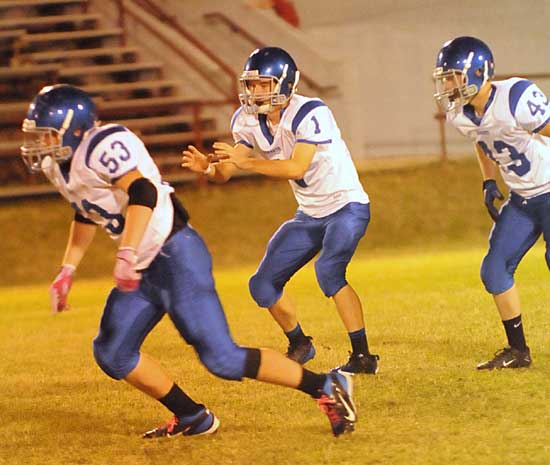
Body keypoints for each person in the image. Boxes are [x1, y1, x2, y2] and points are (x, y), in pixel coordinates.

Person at [21, 83, 358, 438]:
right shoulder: (57, 165)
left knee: (222, 359)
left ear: (75, 129)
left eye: (46, 135)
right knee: (112, 352)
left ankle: (326, 386)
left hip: (175, 253)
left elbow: (142, 191)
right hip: (144, 263)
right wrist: (67, 269)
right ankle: (193, 416)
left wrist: (127, 250)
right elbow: (88, 213)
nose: (40, 143)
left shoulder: (104, 145)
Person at [182, 47, 379, 374]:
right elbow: (229, 169)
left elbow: (296, 167)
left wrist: (247, 162)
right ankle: (301, 343)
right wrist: (209, 169)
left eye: (264, 84)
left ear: (286, 84)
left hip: (346, 206)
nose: (256, 92)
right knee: (262, 285)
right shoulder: (247, 118)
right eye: (252, 84)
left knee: (329, 272)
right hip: (310, 213)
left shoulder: (311, 112)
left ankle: (363, 357)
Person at [433, 36, 550, 369]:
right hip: (522, 198)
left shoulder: (515, 96)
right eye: (446, 77)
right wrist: (488, 180)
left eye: (454, 75)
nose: (448, 84)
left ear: (479, 72)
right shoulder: (459, 112)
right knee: (494, 270)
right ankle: (518, 351)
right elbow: (481, 141)